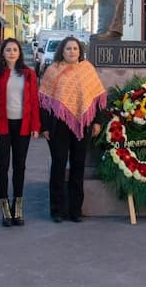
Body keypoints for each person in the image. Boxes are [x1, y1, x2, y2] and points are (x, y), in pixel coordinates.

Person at [39, 36, 106, 222]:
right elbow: (43, 101)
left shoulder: (87, 70)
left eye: (75, 48)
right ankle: (57, 210)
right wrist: (44, 126)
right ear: (62, 50)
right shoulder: (53, 71)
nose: (72, 52)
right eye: (68, 48)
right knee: (58, 166)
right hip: (57, 126)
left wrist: (98, 122)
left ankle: (76, 210)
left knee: (78, 166)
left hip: (83, 125)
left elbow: (97, 98)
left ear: (80, 51)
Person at [0, 38, 40, 227]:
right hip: (1, 126)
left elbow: (34, 102)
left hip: (22, 126)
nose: (11, 53)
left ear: (19, 53)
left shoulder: (28, 74)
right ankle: (5, 208)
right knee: (2, 166)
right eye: (8, 50)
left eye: (15, 50)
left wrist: (35, 126)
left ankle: (18, 206)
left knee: (19, 166)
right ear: (3, 53)